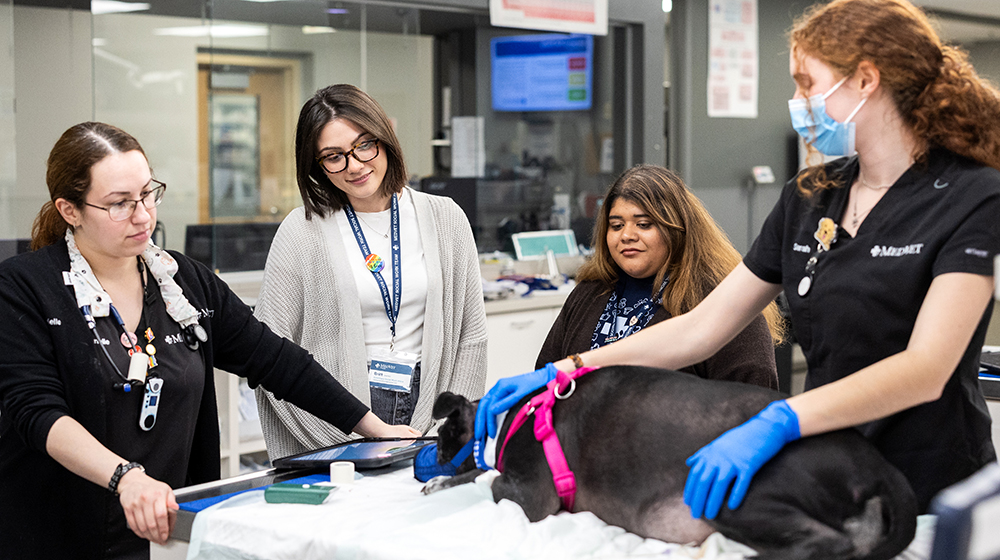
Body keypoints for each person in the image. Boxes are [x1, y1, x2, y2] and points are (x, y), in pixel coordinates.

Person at [478, 0, 1000, 518]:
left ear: (866, 80)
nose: (797, 100)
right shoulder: (811, 196)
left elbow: (926, 368)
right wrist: (567, 371)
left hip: (934, 481)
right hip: (831, 469)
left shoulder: (972, 196)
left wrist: (778, 421)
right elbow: (700, 327)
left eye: (806, 82)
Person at [0, 122, 420, 560]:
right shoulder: (24, 287)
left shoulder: (184, 283)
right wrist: (126, 477)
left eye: (147, 194)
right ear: (70, 210)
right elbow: (37, 412)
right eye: (119, 204)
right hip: (54, 532)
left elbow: (275, 361)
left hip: (162, 527)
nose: (143, 215)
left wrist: (377, 431)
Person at [254, 84, 488, 460]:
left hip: (428, 414)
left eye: (365, 145)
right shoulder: (301, 231)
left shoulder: (445, 218)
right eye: (334, 156)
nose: (355, 165)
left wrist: (449, 429)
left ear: (385, 139)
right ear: (316, 165)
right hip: (335, 423)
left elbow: (471, 339)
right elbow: (268, 352)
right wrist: (339, 443)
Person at [535, 164, 784, 388]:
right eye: (616, 225)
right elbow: (544, 375)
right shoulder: (590, 292)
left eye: (644, 224)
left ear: (677, 229)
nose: (627, 235)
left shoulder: (719, 299)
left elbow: (753, 395)